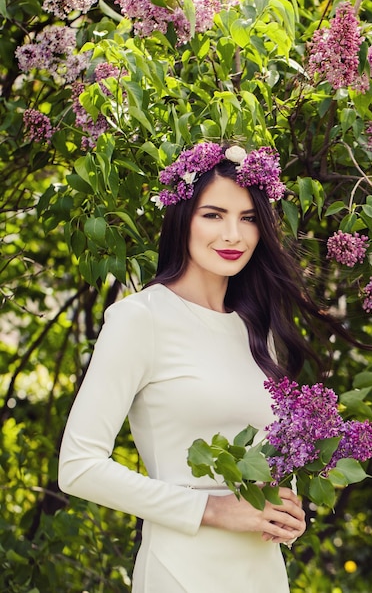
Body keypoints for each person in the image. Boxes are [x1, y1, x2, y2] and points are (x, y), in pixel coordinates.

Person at [59, 142, 347, 592]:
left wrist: (284, 510)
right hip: (182, 571)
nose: (233, 234)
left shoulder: (257, 328)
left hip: (261, 573)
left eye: (248, 218)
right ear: (182, 219)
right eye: (213, 214)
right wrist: (213, 510)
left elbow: (261, 460)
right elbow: (78, 467)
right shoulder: (141, 319)